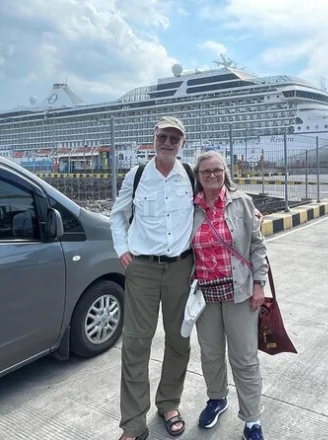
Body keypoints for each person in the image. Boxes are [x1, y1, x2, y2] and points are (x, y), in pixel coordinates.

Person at [110, 116, 195, 440]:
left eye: (175, 138)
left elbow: (219, 195)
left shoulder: (190, 175)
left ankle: (169, 403)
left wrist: (248, 209)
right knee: (135, 343)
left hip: (180, 268)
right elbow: (118, 216)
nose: (168, 143)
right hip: (142, 268)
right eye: (163, 137)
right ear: (154, 138)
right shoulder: (137, 175)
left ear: (182, 143)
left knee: (179, 340)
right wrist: (122, 250)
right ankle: (133, 424)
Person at [191, 150, 268, 440]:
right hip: (205, 295)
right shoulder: (190, 207)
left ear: (225, 172)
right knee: (210, 354)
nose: (212, 175)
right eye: (206, 171)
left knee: (244, 357)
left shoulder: (242, 203)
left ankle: (252, 420)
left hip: (240, 292)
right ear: (198, 176)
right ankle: (217, 398)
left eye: (217, 170)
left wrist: (259, 284)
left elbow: (257, 247)